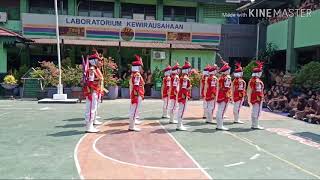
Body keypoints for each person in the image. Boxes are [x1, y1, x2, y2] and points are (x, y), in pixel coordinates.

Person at [83, 62, 103, 133]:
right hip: (92, 92)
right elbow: (91, 83)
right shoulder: (92, 70)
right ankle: (89, 127)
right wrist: (91, 93)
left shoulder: (94, 69)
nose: (101, 62)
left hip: (94, 91)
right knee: (91, 109)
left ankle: (90, 126)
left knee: (92, 109)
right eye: (99, 60)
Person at [128, 55, 145, 131]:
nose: (141, 68)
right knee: (134, 110)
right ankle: (132, 126)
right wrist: (136, 96)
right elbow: (136, 87)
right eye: (140, 66)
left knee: (133, 110)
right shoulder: (137, 75)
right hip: (137, 95)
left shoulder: (134, 74)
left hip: (135, 95)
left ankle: (132, 125)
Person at [247, 61, 265, 130]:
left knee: (254, 111)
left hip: (254, 97)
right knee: (257, 112)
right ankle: (255, 125)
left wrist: (249, 98)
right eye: (260, 72)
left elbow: (249, 89)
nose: (261, 73)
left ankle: (253, 124)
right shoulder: (257, 81)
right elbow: (256, 90)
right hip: (258, 98)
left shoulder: (252, 80)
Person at [216, 60, 232, 131]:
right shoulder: (227, 78)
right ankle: (220, 125)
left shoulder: (220, 78)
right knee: (222, 111)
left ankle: (219, 124)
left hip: (220, 95)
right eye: (228, 69)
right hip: (225, 95)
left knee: (219, 110)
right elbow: (227, 88)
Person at [177, 61, 192, 131]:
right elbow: (184, 88)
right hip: (183, 96)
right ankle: (179, 125)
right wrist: (189, 88)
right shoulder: (185, 78)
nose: (190, 70)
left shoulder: (182, 77)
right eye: (189, 69)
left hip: (182, 95)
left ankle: (180, 124)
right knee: (182, 110)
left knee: (181, 110)